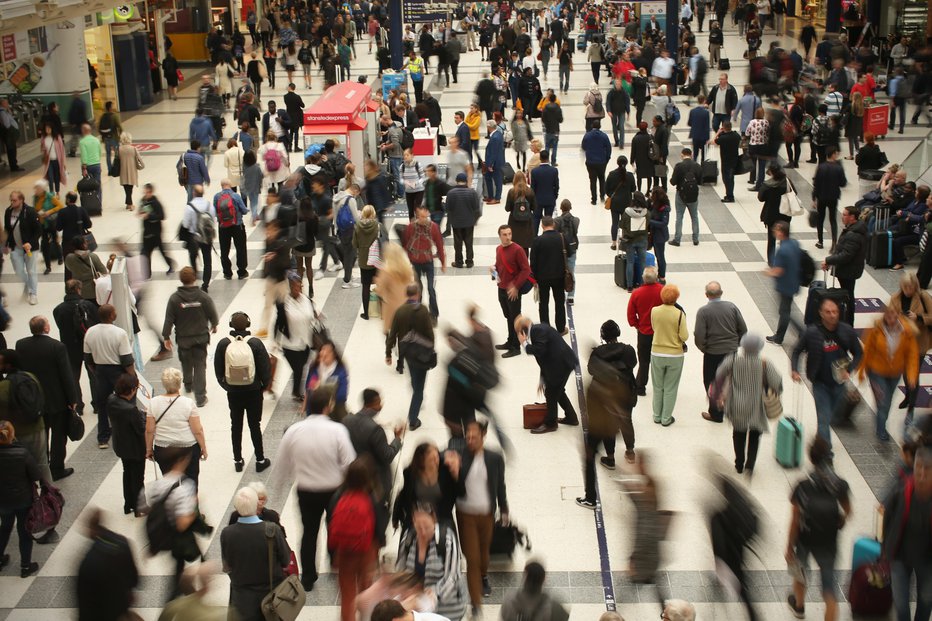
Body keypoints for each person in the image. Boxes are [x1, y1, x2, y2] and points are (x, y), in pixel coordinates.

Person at [271, 389, 356, 592]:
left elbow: (282, 464)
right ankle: (335, 563)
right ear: (328, 406)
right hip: (334, 491)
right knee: (334, 529)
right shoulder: (338, 430)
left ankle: (308, 577)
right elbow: (349, 462)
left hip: (306, 490)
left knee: (309, 533)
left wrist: (278, 490)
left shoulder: (294, 431)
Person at [785, 436, 852, 621]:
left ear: (811, 458)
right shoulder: (839, 484)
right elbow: (848, 511)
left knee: (801, 573)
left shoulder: (803, 486)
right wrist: (841, 521)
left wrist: (789, 546)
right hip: (828, 540)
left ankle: (799, 606)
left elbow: (795, 519)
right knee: (829, 589)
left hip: (805, 538)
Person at [578, 320, 639, 509]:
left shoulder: (597, 355)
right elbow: (633, 364)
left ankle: (610, 457)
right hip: (626, 393)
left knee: (605, 427)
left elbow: (591, 369)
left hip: (603, 407)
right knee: (624, 419)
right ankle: (626, 451)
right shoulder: (628, 351)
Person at [791, 298, 863, 451]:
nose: (832, 315)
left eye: (835, 312)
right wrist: (794, 369)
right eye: (828, 312)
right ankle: (826, 455)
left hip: (839, 384)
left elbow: (858, 353)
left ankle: (820, 443)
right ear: (821, 314)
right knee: (823, 419)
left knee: (830, 418)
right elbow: (797, 350)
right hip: (820, 383)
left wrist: (849, 369)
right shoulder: (812, 332)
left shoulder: (846, 331)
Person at [139, 445, 209, 599]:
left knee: (179, 570)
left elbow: (143, 508)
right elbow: (182, 524)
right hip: (179, 539)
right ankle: (183, 601)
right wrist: (194, 505)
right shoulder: (184, 487)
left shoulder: (154, 486)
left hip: (164, 536)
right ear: (178, 461)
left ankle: (184, 596)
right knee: (186, 571)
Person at [455, 420, 508, 617]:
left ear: (483, 436)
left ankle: (483, 576)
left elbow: (500, 484)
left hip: (486, 514)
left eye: (474, 437)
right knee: (473, 558)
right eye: (467, 436)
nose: (470, 440)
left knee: (484, 553)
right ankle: (476, 603)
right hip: (465, 514)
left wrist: (504, 508)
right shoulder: (460, 455)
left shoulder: (494, 458)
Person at [15, 316, 77, 481]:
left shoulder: (21, 345)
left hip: (33, 399)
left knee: (41, 436)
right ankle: (57, 469)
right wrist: (73, 398)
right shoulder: (57, 347)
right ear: (46, 328)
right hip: (57, 400)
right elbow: (66, 375)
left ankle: (40, 466)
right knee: (59, 436)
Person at [713, 333, 782, 475]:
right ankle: (750, 464)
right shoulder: (764, 364)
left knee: (738, 434)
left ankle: (739, 463)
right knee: (755, 435)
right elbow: (777, 382)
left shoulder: (732, 360)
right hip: (757, 406)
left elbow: (719, 374)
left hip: (736, 404)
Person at [220, 486, 290, 621]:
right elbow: (286, 560)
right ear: (256, 504)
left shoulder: (227, 533)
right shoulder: (272, 530)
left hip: (241, 599)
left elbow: (227, 566)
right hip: (272, 596)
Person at [882, 445, 932, 621]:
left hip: (927, 560)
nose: (922, 475)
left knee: (926, 603)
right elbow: (887, 521)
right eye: (918, 468)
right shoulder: (901, 491)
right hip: (900, 557)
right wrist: (885, 551)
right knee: (901, 606)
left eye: (927, 470)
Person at [395, 505, 469, 620]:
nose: (423, 532)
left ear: (434, 520)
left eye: (427, 527)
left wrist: (434, 593)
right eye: (419, 527)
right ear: (413, 521)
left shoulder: (447, 539)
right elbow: (401, 568)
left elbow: (452, 576)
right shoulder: (408, 538)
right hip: (416, 601)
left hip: (447, 606)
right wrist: (407, 588)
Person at [858, 305, 919, 442]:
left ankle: (881, 421)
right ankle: (881, 430)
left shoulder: (907, 332)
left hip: (895, 373)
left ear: (898, 315)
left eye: (894, 315)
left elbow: (912, 357)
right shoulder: (875, 330)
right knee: (883, 402)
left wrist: (911, 376)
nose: (891, 318)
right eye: (888, 315)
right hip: (876, 372)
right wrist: (862, 371)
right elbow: (867, 351)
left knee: (887, 401)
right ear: (884, 315)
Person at [695, 282, 748, 424]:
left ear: (706, 295)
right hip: (731, 351)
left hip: (712, 353)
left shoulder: (703, 311)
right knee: (731, 380)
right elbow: (743, 329)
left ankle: (716, 413)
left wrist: (703, 348)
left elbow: (699, 335)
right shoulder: (732, 307)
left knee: (711, 381)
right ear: (721, 292)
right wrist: (736, 344)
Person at [83, 304, 135, 449]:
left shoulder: (90, 332)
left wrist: (96, 371)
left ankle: (103, 438)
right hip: (118, 371)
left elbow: (87, 358)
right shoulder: (119, 333)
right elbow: (126, 359)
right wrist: (133, 377)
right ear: (111, 315)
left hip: (100, 370)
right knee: (127, 403)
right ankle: (127, 434)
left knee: (102, 405)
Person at [516, 315, 578, 434]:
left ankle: (551, 423)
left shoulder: (536, 331)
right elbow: (544, 358)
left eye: (518, 332)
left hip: (562, 364)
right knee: (557, 391)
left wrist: (524, 344)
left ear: (523, 330)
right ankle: (571, 417)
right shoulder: (538, 329)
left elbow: (540, 350)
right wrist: (542, 380)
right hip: (563, 363)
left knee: (551, 392)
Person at [146, 366, 206, 486]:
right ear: (179, 384)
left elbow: (149, 430)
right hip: (187, 448)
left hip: (163, 448)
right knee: (191, 481)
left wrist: (148, 449)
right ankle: (191, 504)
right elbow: (197, 430)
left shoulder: (153, 403)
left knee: (169, 482)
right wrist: (203, 447)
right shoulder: (188, 403)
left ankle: (172, 503)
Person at [386, 284, 435, 430]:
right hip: (422, 352)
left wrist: (388, 353)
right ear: (418, 294)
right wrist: (431, 348)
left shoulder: (400, 311)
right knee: (419, 388)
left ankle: (417, 396)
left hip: (407, 352)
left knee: (414, 378)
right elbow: (429, 332)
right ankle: (413, 419)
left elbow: (392, 333)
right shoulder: (423, 310)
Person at [76, 508, 139, 620]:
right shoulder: (122, 542)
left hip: (101, 613)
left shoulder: (89, 562)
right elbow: (134, 577)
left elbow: (84, 600)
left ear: (90, 529)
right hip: (121, 605)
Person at [343, 389, 403, 506]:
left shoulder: (346, 421)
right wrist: (397, 439)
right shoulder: (375, 430)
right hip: (375, 483)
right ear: (371, 404)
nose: (380, 406)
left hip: (353, 477)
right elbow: (387, 456)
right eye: (379, 403)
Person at [0, 420, 42, 578]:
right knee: (24, 531)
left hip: (2, 500)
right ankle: (25, 566)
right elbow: (36, 475)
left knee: (5, 527)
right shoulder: (22, 454)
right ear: (12, 435)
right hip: (22, 498)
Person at [821, 205, 867, 326]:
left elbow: (846, 255)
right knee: (848, 295)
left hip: (849, 271)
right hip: (849, 269)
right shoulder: (853, 230)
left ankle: (848, 323)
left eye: (845, 215)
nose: (842, 216)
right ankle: (847, 321)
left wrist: (828, 260)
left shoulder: (854, 234)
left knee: (848, 297)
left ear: (852, 217)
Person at [107, 373, 146, 515]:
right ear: (131, 390)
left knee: (127, 473)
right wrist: (143, 416)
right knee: (138, 478)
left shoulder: (111, 399)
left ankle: (128, 504)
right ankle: (139, 507)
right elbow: (141, 428)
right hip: (135, 448)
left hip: (121, 445)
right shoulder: (130, 409)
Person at [650, 284, 689, 427]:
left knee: (657, 386)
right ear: (676, 297)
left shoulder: (655, 311)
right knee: (670, 387)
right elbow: (684, 336)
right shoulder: (679, 314)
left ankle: (656, 415)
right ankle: (666, 418)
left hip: (657, 352)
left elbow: (654, 328)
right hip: (675, 355)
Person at [402, 205, 446, 321]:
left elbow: (439, 245)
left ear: (427, 214)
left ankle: (434, 314)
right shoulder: (411, 227)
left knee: (431, 288)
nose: (421, 218)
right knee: (418, 288)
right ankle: (418, 312)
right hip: (415, 262)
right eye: (419, 216)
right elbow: (405, 243)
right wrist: (409, 258)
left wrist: (443, 262)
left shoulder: (434, 227)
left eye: (423, 216)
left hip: (428, 261)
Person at [493, 225, 532, 358]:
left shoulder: (518, 250)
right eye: (504, 234)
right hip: (501, 288)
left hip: (513, 291)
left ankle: (516, 347)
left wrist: (516, 286)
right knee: (508, 315)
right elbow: (498, 265)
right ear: (499, 235)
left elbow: (526, 269)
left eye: (509, 234)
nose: (508, 237)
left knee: (515, 318)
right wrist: (493, 269)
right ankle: (510, 341)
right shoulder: (498, 249)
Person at [766, 221, 803, 345]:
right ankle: (781, 336)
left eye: (776, 229)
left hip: (785, 285)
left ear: (781, 232)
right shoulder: (794, 243)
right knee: (785, 310)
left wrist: (768, 272)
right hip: (793, 282)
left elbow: (778, 271)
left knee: (784, 312)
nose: (774, 231)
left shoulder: (783, 250)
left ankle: (782, 337)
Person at [530, 217, 568, 334]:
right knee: (559, 303)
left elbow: (533, 262)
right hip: (559, 277)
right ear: (553, 224)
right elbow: (569, 253)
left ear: (542, 226)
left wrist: (534, 278)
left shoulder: (537, 241)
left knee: (543, 304)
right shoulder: (562, 238)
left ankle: (545, 329)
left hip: (542, 278)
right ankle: (561, 328)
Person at [500, 561, 569, 621]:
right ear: (543, 579)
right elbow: (564, 617)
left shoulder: (509, 599)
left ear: (525, 578)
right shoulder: (553, 605)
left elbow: (504, 616)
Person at [4, 191, 40, 305]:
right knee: (18, 271)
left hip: (30, 248)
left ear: (21, 200)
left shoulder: (30, 212)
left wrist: (31, 242)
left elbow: (38, 230)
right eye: (11, 200)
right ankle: (28, 285)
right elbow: (7, 229)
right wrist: (6, 244)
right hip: (15, 247)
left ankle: (33, 293)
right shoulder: (8, 211)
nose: (12, 202)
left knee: (31, 270)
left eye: (14, 200)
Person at [812, 146, 848, 250]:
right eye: (836, 153)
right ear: (833, 154)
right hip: (833, 197)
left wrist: (814, 198)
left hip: (821, 196)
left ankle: (820, 241)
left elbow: (816, 183)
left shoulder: (820, 167)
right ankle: (834, 242)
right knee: (833, 219)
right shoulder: (838, 168)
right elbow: (843, 183)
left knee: (820, 219)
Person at [182, 185, 215, 293]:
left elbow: (185, 224)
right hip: (206, 236)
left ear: (194, 193)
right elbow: (213, 220)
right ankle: (205, 284)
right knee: (207, 261)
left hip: (194, 237)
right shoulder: (209, 205)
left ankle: (194, 277)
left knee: (193, 257)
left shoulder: (189, 207)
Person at [445, 173, 481, 268]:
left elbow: (447, 209)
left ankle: (459, 262)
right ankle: (469, 262)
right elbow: (477, 209)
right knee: (469, 243)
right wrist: (473, 220)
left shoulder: (451, 193)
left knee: (458, 243)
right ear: (466, 181)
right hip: (469, 222)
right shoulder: (472, 193)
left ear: (456, 181)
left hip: (456, 223)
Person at [758, 164, 790, 266]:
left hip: (771, 214)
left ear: (771, 172)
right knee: (784, 237)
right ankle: (784, 259)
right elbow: (795, 193)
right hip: (785, 214)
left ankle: (771, 261)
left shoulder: (767, 185)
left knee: (771, 239)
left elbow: (761, 198)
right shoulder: (786, 182)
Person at [670, 147, 703, 246]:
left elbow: (673, 182)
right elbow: (701, 181)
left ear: (682, 155)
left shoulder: (679, 166)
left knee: (679, 216)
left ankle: (677, 239)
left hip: (681, 194)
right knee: (694, 217)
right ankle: (695, 239)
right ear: (691, 154)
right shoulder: (697, 166)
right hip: (693, 196)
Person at [619, 192, 650, 291]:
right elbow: (648, 225)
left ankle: (629, 286)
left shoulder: (627, 213)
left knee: (630, 262)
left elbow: (621, 225)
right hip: (642, 240)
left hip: (630, 241)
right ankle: (642, 284)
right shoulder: (647, 213)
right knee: (642, 262)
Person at [581, 120, 613, 206]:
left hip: (590, 161)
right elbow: (609, 148)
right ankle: (602, 196)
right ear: (600, 126)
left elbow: (583, 146)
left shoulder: (587, 135)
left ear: (592, 126)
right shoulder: (604, 136)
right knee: (602, 179)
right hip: (602, 161)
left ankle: (594, 199)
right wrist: (607, 158)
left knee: (592, 180)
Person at [504, 171, 537, 253]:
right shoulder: (530, 191)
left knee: (514, 247)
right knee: (525, 247)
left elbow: (507, 208)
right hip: (527, 222)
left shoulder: (511, 192)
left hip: (514, 222)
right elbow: (535, 208)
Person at [117, 133, 144, 211]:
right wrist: (142, 166)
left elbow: (117, 160)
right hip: (132, 171)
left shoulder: (119, 149)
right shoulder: (133, 149)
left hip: (123, 171)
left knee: (126, 188)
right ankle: (130, 204)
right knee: (130, 188)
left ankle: (128, 203)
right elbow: (139, 159)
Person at [483, 120, 506, 204]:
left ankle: (497, 198)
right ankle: (491, 196)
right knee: (488, 178)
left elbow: (493, 152)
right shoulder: (498, 134)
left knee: (498, 180)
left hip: (495, 163)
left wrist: (490, 165)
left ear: (489, 127)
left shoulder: (495, 137)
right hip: (495, 162)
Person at [0, 99, 23, 172]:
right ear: (2, 104)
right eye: (6, 103)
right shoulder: (2, 112)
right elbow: (7, 124)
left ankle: (14, 165)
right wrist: (12, 130)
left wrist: (9, 111)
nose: (8, 104)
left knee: (13, 149)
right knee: (11, 150)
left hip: (10, 133)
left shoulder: (5, 111)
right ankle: (14, 166)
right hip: (9, 133)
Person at [687, 95, 711, 162]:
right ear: (704, 101)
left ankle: (694, 166)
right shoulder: (706, 112)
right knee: (703, 155)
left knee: (695, 153)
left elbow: (689, 123)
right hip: (703, 136)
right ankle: (702, 167)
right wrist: (708, 138)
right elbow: (707, 126)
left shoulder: (692, 111)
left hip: (695, 135)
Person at [541, 93, 563, 166]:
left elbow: (543, 119)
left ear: (549, 99)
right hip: (556, 130)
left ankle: (546, 160)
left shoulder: (545, 108)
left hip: (548, 130)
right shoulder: (558, 108)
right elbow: (560, 120)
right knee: (555, 147)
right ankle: (553, 162)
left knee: (547, 146)